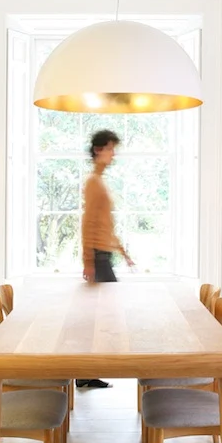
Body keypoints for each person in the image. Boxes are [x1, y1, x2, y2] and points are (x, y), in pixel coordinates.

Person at [77, 129, 134, 389]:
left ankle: (86, 373)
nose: (114, 154)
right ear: (99, 150)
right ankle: (86, 372)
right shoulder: (93, 182)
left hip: (104, 254)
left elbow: (105, 225)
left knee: (100, 315)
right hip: (98, 257)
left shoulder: (99, 181)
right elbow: (88, 223)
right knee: (103, 315)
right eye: (110, 148)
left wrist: (123, 252)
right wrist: (87, 260)